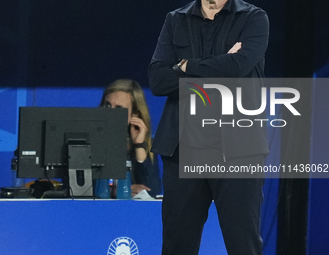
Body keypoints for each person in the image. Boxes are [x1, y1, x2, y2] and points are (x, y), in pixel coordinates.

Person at [149, 0, 269, 254]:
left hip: (238, 152)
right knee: (176, 245)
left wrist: (187, 65)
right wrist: (221, 64)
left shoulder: (253, 18)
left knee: (243, 245)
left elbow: (238, 68)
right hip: (182, 150)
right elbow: (158, 81)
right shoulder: (175, 19)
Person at [98, 79, 161, 198]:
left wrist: (139, 145)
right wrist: (117, 189)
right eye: (107, 105)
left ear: (134, 114)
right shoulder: (88, 140)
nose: (110, 112)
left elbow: (151, 191)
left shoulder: (143, 143)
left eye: (118, 108)